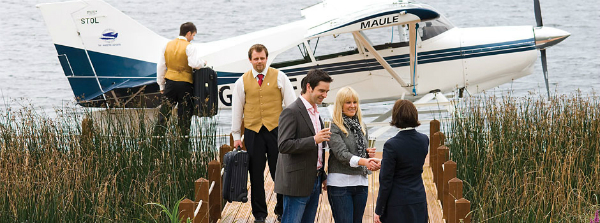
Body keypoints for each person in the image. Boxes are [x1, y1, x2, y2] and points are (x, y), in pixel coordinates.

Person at [231, 44, 296, 222]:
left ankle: (281, 209)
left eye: (262, 58)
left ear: (266, 58)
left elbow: (291, 105)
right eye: (256, 58)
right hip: (253, 132)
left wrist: (292, 131)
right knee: (256, 175)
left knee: (280, 173)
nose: (259, 61)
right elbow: (237, 110)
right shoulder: (242, 81)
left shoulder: (280, 77)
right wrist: (237, 136)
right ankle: (259, 214)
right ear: (250, 60)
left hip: (277, 131)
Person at [275, 69, 332, 223]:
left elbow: (318, 150)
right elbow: (284, 145)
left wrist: (323, 175)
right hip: (296, 182)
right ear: (309, 87)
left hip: (315, 179)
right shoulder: (291, 111)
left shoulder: (315, 112)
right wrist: (314, 139)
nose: (325, 95)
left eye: (327, 91)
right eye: (321, 90)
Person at [327, 86, 381, 223]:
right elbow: (341, 154)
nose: (352, 106)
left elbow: (360, 155)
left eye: (355, 102)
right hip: (340, 185)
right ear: (340, 105)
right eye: (348, 102)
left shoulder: (361, 126)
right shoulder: (334, 126)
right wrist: (364, 161)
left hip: (361, 183)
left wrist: (368, 155)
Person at [374, 99, 429, 223]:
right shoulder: (424, 139)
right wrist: (384, 162)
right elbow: (409, 162)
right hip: (418, 198)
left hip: (397, 202)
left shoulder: (391, 144)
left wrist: (379, 209)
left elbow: (386, 180)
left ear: (396, 117)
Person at [153, 22, 207, 146]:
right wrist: (203, 63)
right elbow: (194, 64)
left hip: (170, 84)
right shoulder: (190, 47)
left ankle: (156, 146)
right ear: (188, 33)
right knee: (184, 118)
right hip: (185, 85)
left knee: (163, 116)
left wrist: (161, 85)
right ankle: (182, 149)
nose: (193, 38)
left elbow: (161, 66)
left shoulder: (167, 45)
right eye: (193, 35)